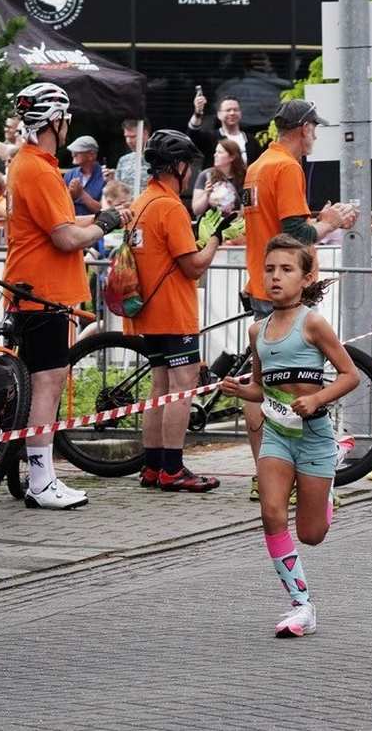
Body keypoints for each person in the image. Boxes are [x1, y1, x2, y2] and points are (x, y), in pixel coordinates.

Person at [220, 235, 359, 637]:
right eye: (270, 269)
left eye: (286, 270)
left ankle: (331, 464)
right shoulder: (256, 330)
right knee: (271, 514)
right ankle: (302, 605)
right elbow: (262, 389)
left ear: (305, 278)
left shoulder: (312, 323)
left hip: (314, 434)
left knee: (311, 534)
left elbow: (351, 375)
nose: (276, 277)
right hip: (277, 434)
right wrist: (238, 389)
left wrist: (317, 399)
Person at [5, 82, 129, 509]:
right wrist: (108, 222)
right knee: (47, 384)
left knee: (42, 384)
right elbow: (65, 237)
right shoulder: (38, 169)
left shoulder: (32, 165)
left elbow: (56, 221)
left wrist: (97, 216)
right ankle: (42, 481)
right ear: (54, 121)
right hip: (43, 293)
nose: (66, 127)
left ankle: (34, 475)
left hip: (37, 291)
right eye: (65, 120)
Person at [241, 99, 359, 497]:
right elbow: (297, 236)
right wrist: (333, 222)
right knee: (289, 384)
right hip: (285, 287)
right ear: (304, 127)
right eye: (315, 128)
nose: (316, 136)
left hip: (261, 279)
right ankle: (284, 472)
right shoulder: (287, 166)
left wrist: (317, 218)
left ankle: (267, 473)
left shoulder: (258, 165)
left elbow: (280, 224)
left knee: (266, 381)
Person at [126, 130, 230, 493]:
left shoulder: (142, 201)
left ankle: (152, 466)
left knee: (160, 386)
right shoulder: (170, 206)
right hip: (173, 309)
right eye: (189, 165)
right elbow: (194, 266)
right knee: (182, 389)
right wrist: (216, 237)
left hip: (148, 311)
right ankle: (173, 468)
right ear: (180, 166)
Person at [188, 92, 261, 164]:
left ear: (240, 113)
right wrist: (197, 113)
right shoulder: (210, 138)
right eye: (228, 110)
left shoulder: (251, 141)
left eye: (235, 110)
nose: (232, 113)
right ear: (219, 114)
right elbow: (192, 136)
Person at [190, 139, 246, 218]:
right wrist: (206, 194)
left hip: (236, 225)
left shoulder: (244, 177)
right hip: (211, 226)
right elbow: (196, 210)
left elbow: (248, 205)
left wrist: (240, 213)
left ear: (232, 157)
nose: (215, 155)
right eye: (216, 152)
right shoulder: (206, 175)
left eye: (220, 152)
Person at [64, 135, 105, 217]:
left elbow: (104, 211)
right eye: (72, 151)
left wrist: (81, 194)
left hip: (95, 225)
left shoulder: (105, 176)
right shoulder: (69, 175)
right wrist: (71, 195)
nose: (73, 154)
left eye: (77, 152)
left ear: (91, 155)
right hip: (72, 222)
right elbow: (61, 205)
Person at [114, 119, 152, 197]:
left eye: (133, 136)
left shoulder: (158, 159)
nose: (129, 141)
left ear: (145, 133)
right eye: (126, 137)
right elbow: (117, 190)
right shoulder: (123, 160)